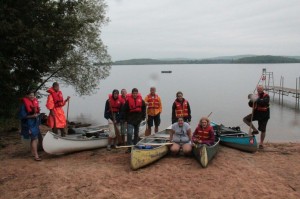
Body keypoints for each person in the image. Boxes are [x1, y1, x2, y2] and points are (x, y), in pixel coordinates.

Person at [243, 85, 270, 149]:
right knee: (245, 119)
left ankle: (261, 143)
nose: (258, 90)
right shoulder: (255, 95)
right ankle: (255, 130)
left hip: (264, 115)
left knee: (263, 129)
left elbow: (263, 102)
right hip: (256, 113)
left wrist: (256, 98)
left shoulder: (266, 96)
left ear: (262, 89)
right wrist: (251, 99)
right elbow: (250, 104)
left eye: (260, 89)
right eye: (258, 89)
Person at [19, 90, 42, 161]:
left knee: (35, 138)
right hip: (28, 124)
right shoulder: (23, 105)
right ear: (27, 96)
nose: (32, 96)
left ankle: (33, 152)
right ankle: (36, 155)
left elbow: (37, 115)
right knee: (34, 138)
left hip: (35, 123)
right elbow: (22, 116)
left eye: (33, 95)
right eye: (30, 95)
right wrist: (32, 116)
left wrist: (39, 123)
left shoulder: (34, 103)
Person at [123, 88, 146, 153]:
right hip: (130, 119)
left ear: (137, 93)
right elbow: (124, 110)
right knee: (129, 133)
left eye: (136, 93)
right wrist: (125, 119)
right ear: (132, 93)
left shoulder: (141, 100)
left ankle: (135, 145)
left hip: (138, 119)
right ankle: (129, 147)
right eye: (134, 93)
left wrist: (143, 117)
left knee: (136, 134)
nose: (135, 94)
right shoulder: (128, 101)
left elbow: (144, 108)